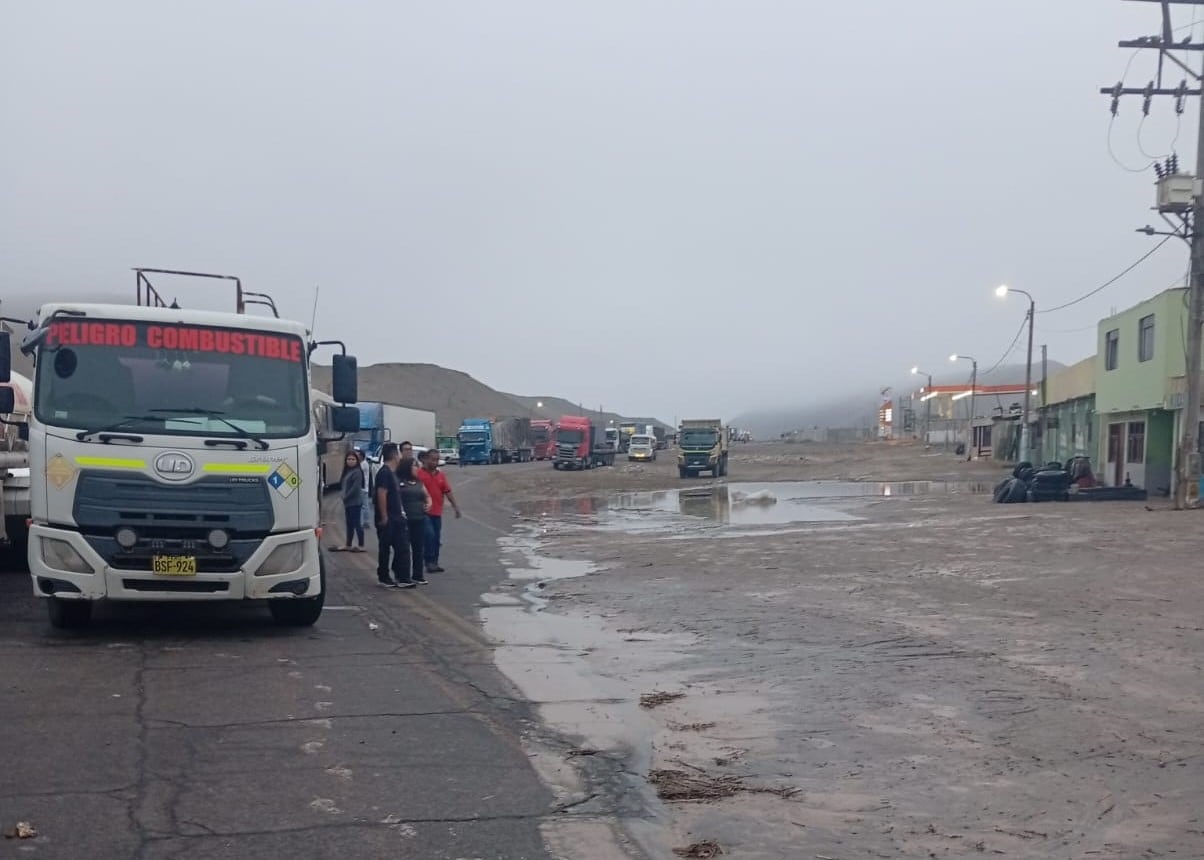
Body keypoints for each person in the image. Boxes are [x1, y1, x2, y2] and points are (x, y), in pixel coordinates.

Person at [373, 443, 415, 588]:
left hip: (397, 517)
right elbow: (382, 493)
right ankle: (384, 576)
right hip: (389, 518)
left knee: (402, 547)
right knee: (386, 548)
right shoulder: (384, 473)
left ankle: (402, 577)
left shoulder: (392, 473)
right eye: (398, 453)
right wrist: (384, 516)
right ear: (394, 455)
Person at [418, 447, 461, 573]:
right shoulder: (419, 474)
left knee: (436, 538)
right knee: (429, 536)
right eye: (433, 460)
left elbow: (447, 491)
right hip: (424, 512)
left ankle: (434, 562)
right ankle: (428, 562)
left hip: (437, 512)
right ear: (426, 459)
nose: (435, 462)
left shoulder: (440, 475)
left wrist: (455, 507)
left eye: (437, 460)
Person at [396, 458, 432, 585]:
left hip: (419, 518)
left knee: (418, 548)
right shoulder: (400, 482)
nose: (417, 468)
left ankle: (418, 575)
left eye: (417, 466)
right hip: (405, 520)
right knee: (404, 549)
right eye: (414, 466)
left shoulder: (419, 483)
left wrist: (429, 504)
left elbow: (427, 496)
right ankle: (402, 575)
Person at [334, 451, 366, 552]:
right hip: (348, 503)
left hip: (355, 502)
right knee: (349, 524)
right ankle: (348, 544)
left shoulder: (357, 472)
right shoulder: (347, 471)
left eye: (353, 459)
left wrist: (346, 497)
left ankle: (361, 545)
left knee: (357, 523)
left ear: (357, 461)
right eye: (348, 459)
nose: (350, 461)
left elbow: (355, 488)